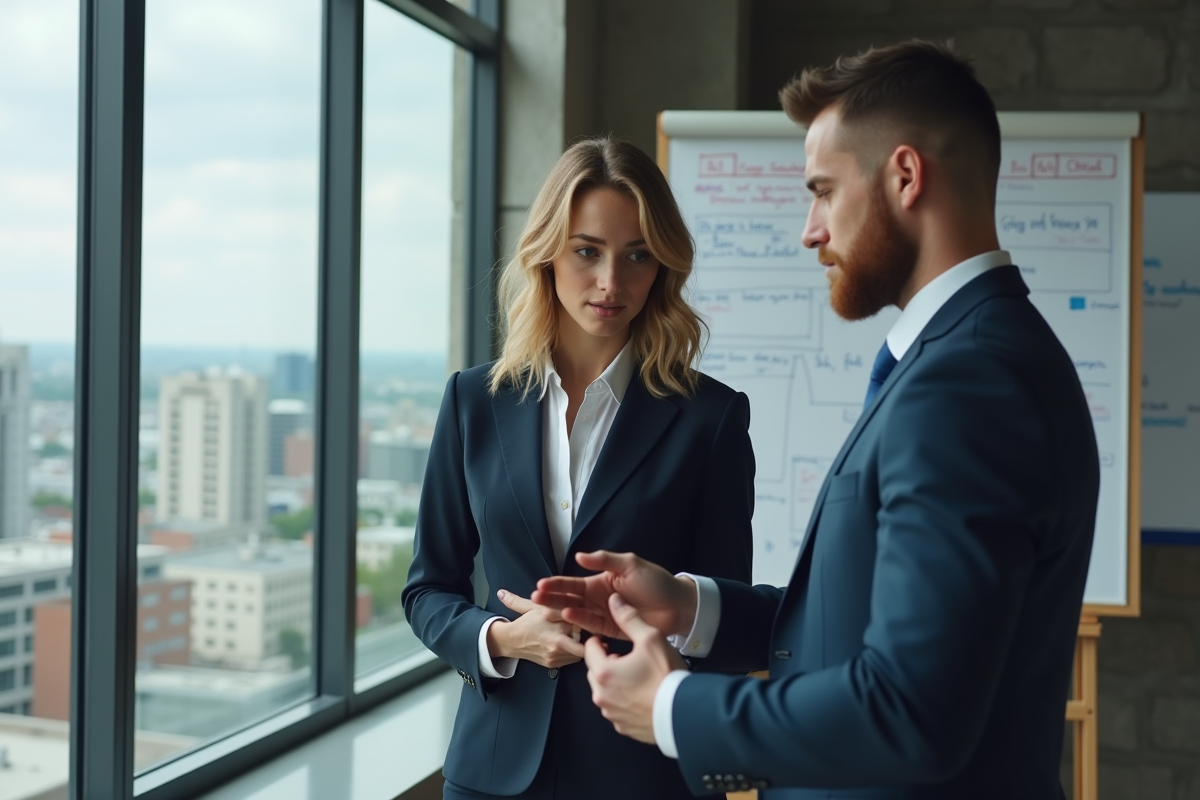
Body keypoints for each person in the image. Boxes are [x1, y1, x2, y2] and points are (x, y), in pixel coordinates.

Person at [533, 41, 1100, 799]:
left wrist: (671, 707)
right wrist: (691, 606)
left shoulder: (968, 383)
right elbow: (858, 637)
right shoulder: (969, 355)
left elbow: (908, 712)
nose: (810, 228)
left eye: (824, 190)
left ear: (905, 176)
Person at [401, 136, 755, 800]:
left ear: (663, 268)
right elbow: (427, 590)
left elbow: (723, 618)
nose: (611, 283)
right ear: (547, 253)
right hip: (491, 772)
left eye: (638, 256)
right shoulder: (473, 401)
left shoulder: (710, 419)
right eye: (587, 251)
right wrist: (504, 639)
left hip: (644, 775)